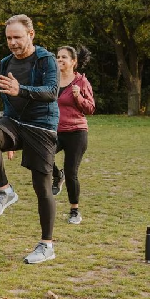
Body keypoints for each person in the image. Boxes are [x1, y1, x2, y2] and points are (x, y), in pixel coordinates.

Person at [0, 14, 60, 264]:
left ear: (31, 35)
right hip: (14, 122)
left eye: (17, 37)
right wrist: (7, 136)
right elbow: (8, 98)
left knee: (42, 188)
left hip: (42, 126)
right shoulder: (5, 63)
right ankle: (5, 192)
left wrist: (21, 89)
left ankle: (46, 245)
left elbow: (52, 91)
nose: (12, 42)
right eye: (8, 38)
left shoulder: (46, 60)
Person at [52, 46, 95, 224]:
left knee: (72, 172)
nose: (60, 60)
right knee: (38, 155)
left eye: (64, 57)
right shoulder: (52, 81)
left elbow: (90, 108)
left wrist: (78, 97)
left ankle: (74, 210)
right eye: (58, 57)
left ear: (73, 62)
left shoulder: (81, 82)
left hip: (77, 132)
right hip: (55, 130)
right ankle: (57, 175)